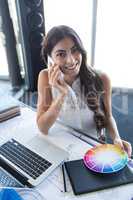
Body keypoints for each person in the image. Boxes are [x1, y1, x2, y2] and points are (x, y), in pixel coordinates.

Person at [36, 25, 132, 157]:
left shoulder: (102, 78)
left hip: (92, 147)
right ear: (51, 57)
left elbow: (108, 117)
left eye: (74, 50)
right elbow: (43, 128)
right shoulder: (45, 77)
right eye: (61, 54)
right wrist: (61, 94)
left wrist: (116, 138)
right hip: (61, 146)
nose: (71, 60)